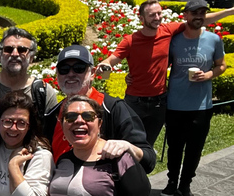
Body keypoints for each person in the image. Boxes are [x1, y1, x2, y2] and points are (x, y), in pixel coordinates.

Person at [97, 0, 234, 146]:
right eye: (152, 15)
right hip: (135, 101)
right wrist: (104, 67)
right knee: (126, 143)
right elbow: (110, 61)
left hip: (159, 102)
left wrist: (230, 11)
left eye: (159, 13)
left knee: (147, 146)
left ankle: (143, 169)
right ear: (141, 18)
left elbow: (199, 20)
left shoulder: (168, 31)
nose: (157, 18)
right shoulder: (130, 41)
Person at [44, 44, 157, 174]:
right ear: (57, 74)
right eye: (64, 69)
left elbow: (149, 160)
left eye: (79, 68)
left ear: (92, 73)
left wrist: (127, 147)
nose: (71, 74)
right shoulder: (52, 115)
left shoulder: (113, 108)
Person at [161, 0, 226, 196]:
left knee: (195, 148)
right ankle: (171, 183)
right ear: (185, 15)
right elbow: (159, 64)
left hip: (202, 105)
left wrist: (209, 75)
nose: (199, 16)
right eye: (195, 12)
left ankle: (186, 185)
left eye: (202, 13)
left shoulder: (214, 40)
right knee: (175, 146)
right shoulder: (174, 40)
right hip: (175, 104)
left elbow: (221, 65)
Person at [0, 27, 58, 119]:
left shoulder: (44, 92)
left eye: (22, 50)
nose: (14, 54)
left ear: (31, 57)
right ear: (0, 56)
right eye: (8, 49)